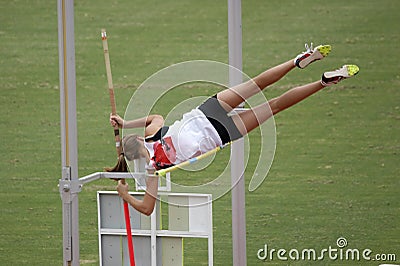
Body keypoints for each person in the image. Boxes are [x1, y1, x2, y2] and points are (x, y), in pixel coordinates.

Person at [109, 43, 359, 215]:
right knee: (257, 83)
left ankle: (323, 82)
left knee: (274, 107)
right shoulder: (154, 135)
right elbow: (155, 116)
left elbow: (147, 208)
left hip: (221, 133)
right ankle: (298, 60)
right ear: (139, 139)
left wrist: (126, 195)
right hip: (206, 111)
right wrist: (125, 122)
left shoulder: (155, 170)